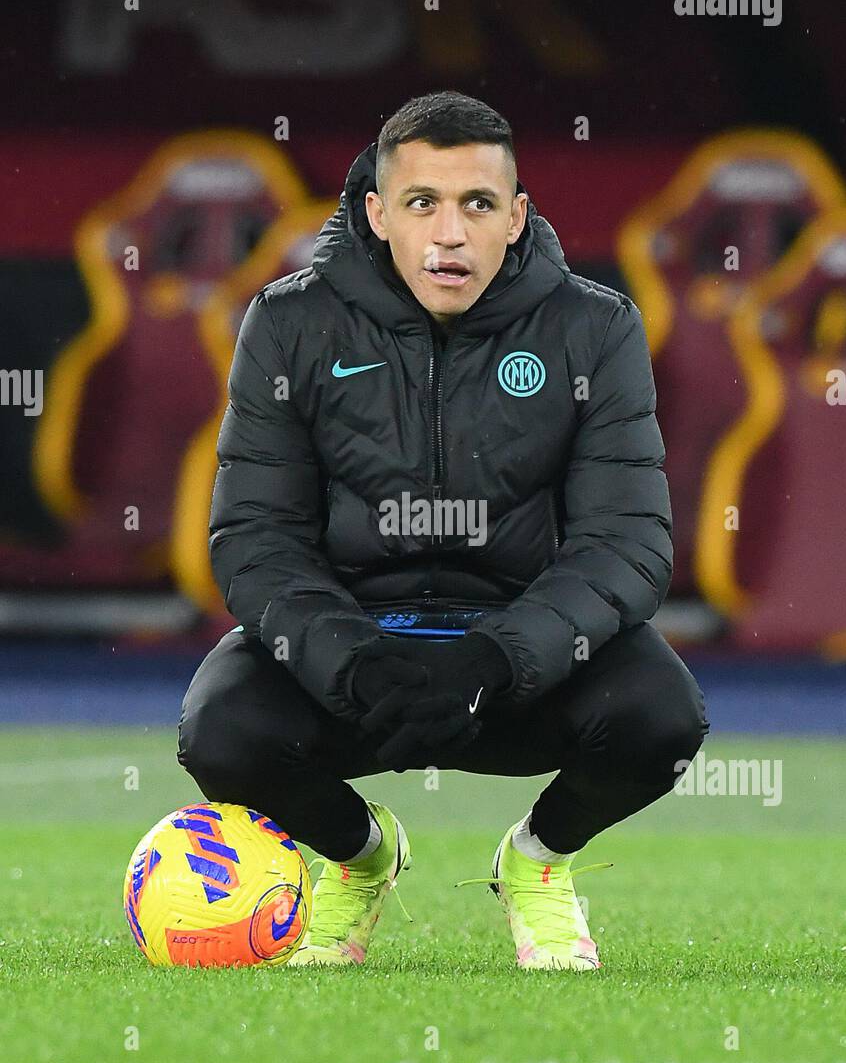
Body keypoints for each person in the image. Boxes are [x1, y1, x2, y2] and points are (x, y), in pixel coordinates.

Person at [177, 90, 708, 972]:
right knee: (222, 732)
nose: (450, 233)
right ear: (379, 215)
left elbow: (628, 545)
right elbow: (254, 537)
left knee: (660, 716)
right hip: (359, 667)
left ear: (517, 218)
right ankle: (361, 857)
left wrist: (498, 657)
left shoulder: (597, 328)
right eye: (423, 204)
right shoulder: (287, 324)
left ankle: (537, 863)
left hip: (517, 670)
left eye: (478, 205)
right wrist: (350, 657)